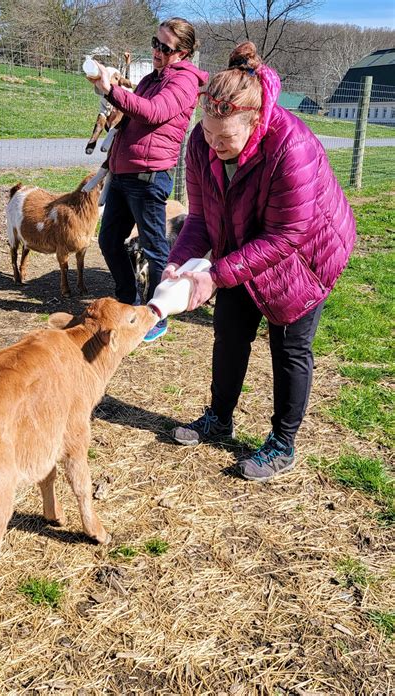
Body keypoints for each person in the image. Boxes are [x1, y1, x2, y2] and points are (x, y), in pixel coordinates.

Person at [164, 42, 356, 481]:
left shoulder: (292, 146)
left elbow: (287, 234)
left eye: (224, 138)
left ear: (255, 121)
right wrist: (181, 261)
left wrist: (216, 274)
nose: (214, 145)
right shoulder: (202, 142)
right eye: (208, 134)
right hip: (245, 241)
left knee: (289, 346)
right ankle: (219, 417)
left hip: (305, 255)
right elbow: (200, 216)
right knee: (229, 332)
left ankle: (282, 443)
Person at [90, 18, 208, 342]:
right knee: (109, 241)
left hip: (149, 176)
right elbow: (132, 112)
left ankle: (157, 315)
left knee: (156, 250)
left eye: (164, 47)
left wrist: (112, 91)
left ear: (182, 52)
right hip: (126, 173)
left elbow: (153, 112)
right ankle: (130, 303)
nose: (156, 51)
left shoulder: (183, 83)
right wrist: (112, 94)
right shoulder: (150, 79)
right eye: (154, 43)